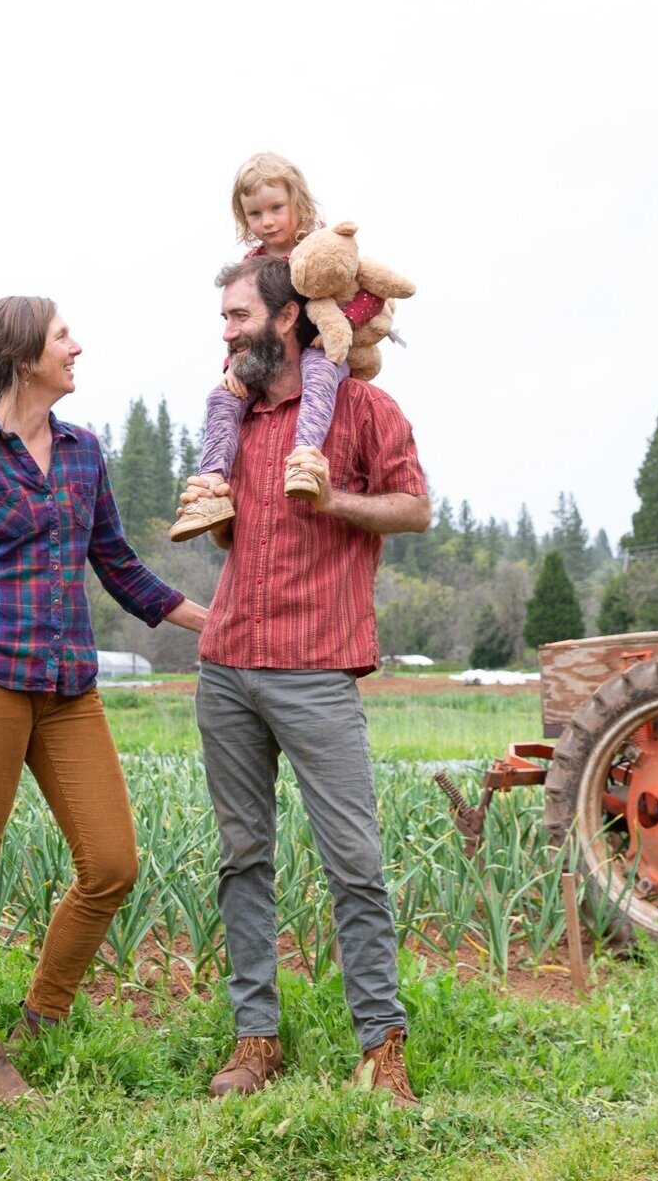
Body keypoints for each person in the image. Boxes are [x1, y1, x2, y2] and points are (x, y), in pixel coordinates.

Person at [0, 296, 208, 1104]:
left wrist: (211, 621)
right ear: (22, 359)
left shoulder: (83, 453)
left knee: (112, 863)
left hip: (70, 688)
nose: (77, 347)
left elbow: (117, 566)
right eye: (61, 338)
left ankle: (42, 1018)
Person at [182, 255, 431, 1105]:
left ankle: (381, 1047)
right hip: (227, 665)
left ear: (287, 319)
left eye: (237, 315)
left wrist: (335, 504)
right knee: (242, 859)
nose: (226, 331)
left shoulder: (359, 410)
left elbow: (414, 506)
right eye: (222, 317)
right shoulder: (237, 418)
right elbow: (232, 539)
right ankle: (256, 1042)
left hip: (318, 669)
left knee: (354, 861)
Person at [168, 151, 388, 543]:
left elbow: (374, 291)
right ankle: (211, 485)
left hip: (320, 347)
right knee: (222, 398)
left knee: (319, 370)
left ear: (297, 203)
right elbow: (245, 323)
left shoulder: (324, 245)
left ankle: (304, 459)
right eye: (255, 214)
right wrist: (232, 367)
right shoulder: (252, 262)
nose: (267, 221)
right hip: (271, 357)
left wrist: (342, 326)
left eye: (276, 208)